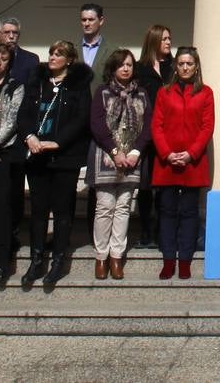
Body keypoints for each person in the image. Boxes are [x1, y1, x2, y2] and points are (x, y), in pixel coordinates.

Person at [18, 41, 93, 286]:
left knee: (62, 211)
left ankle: (59, 260)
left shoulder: (78, 86)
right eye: (51, 53)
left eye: (58, 54)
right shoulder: (37, 81)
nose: (52, 57)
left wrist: (58, 142)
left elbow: (81, 118)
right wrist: (29, 136)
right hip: (37, 154)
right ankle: (37, 259)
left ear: (69, 60)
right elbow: (25, 111)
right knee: (38, 210)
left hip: (65, 157)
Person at [152, 47, 215, 280]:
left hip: (193, 162)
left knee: (189, 212)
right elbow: (156, 125)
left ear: (196, 66)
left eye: (189, 63)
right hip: (167, 162)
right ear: (175, 67)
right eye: (181, 64)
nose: (185, 68)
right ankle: (169, 259)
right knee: (167, 211)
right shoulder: (164, 92)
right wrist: (167, 153)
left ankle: (185, 260)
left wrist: (190, 153)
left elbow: (207, 127)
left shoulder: (206, 93)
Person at [88, 48, 152, 280]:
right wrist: (115, 152)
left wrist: (135, 152)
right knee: (105, 207)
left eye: (129, 65)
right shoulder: (102, 92)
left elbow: (148, 126)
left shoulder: (142, 94)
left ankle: (117, 257)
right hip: (106, 157)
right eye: (121, 65)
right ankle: (101, 257)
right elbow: (97, 124)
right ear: (113, 68)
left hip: (133, 158)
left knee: (124, 206)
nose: (126, 68)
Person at [0, 43, 27, 286]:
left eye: (4, 59)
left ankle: (2, 262)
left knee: (2, 207)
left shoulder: (14, 87)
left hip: (4, 153)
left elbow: (12, 119)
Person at [134, 24, 174, 247]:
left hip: (168, 135)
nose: (168, 42)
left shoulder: (174, 68)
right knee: (146, 186)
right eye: (164, 39)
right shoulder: (140, 69)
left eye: (169, 39)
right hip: (146, 135)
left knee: (164, 187)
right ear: (154, 41)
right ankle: (146, 232)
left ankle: (162, 232)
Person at [0, 17, 40, 91]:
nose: (11, 36)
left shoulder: (31, 59)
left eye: (15, 33)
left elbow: (33, 90)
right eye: (7, 32)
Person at [79, 3, 110, 95]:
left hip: (101, 104)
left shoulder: (112, 51)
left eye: (91, 20)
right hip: (76, 105)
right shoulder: (72, 50)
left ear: (101, 21)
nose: (87, 23)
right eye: (84, 20)